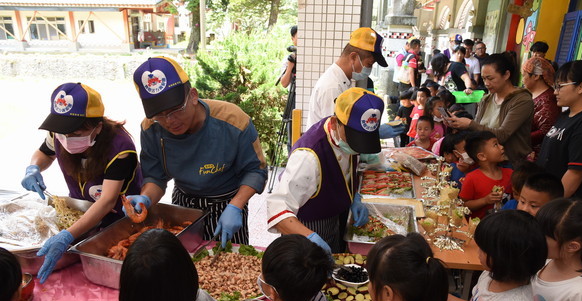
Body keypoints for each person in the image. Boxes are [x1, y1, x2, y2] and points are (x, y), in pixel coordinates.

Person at [127, 56, 267, 247]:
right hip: (184, 203)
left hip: (228, 202)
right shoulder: (151, 128)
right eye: (160, 114)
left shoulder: (233, 120)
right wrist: (145, 199)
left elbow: (255, 170)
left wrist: (236, 205)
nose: (169, 121)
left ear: (192, 95)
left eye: (176, 110)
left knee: (227, 264)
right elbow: (155, 178)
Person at [20, 82, 142, 283]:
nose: (66, 140)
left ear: (98, 127)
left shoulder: (120, 149)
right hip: (83, 214)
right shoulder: (57, 132)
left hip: (118, 223)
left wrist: (67, 236)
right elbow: (44, 153)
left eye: (76, 135)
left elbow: (107, 201)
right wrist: (34, 168)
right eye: (63, 134)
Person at [267, 88, 384, 253]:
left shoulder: (344, 139)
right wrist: (309, 238)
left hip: (334, 219)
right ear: (336, 122)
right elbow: (277, 207)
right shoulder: (308, 156)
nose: (356, 147)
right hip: (306, 229)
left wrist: (353, 197)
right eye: (354, 138)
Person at [447, 53, 534, 164]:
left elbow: (502, 136)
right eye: (483, 79)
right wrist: (458, 123)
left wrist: (470, 124)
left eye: (490, 78)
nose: (486, 83)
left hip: (511, 162)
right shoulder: (486, 99)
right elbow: (478, 129)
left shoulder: (522, 101)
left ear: (506, 75)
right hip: (486, 162)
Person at [537, 60, 582, 206]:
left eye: (560, 86)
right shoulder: (567, 115)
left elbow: (577, 173)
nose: (555, 92)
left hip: (567, 206)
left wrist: (548, 207)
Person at [306, 27, 387, 129]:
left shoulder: (342, 80)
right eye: (369, 64)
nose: (369, 69)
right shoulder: (333, 87)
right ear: (353, 57)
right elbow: (334, 132)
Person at [460, 131, 513, 218]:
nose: (502, 147)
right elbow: (464, 204)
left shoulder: (510, 173)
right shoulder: (472, 178)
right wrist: (485, 200)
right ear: (482, 156)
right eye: (495, 145)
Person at [522, 56, 560, 159]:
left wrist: (518, 138)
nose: (522, 80)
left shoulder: (548, 99)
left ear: (536, 76)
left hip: (536, 155)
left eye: (524, 75)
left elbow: (546, 131)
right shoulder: (531, 94)